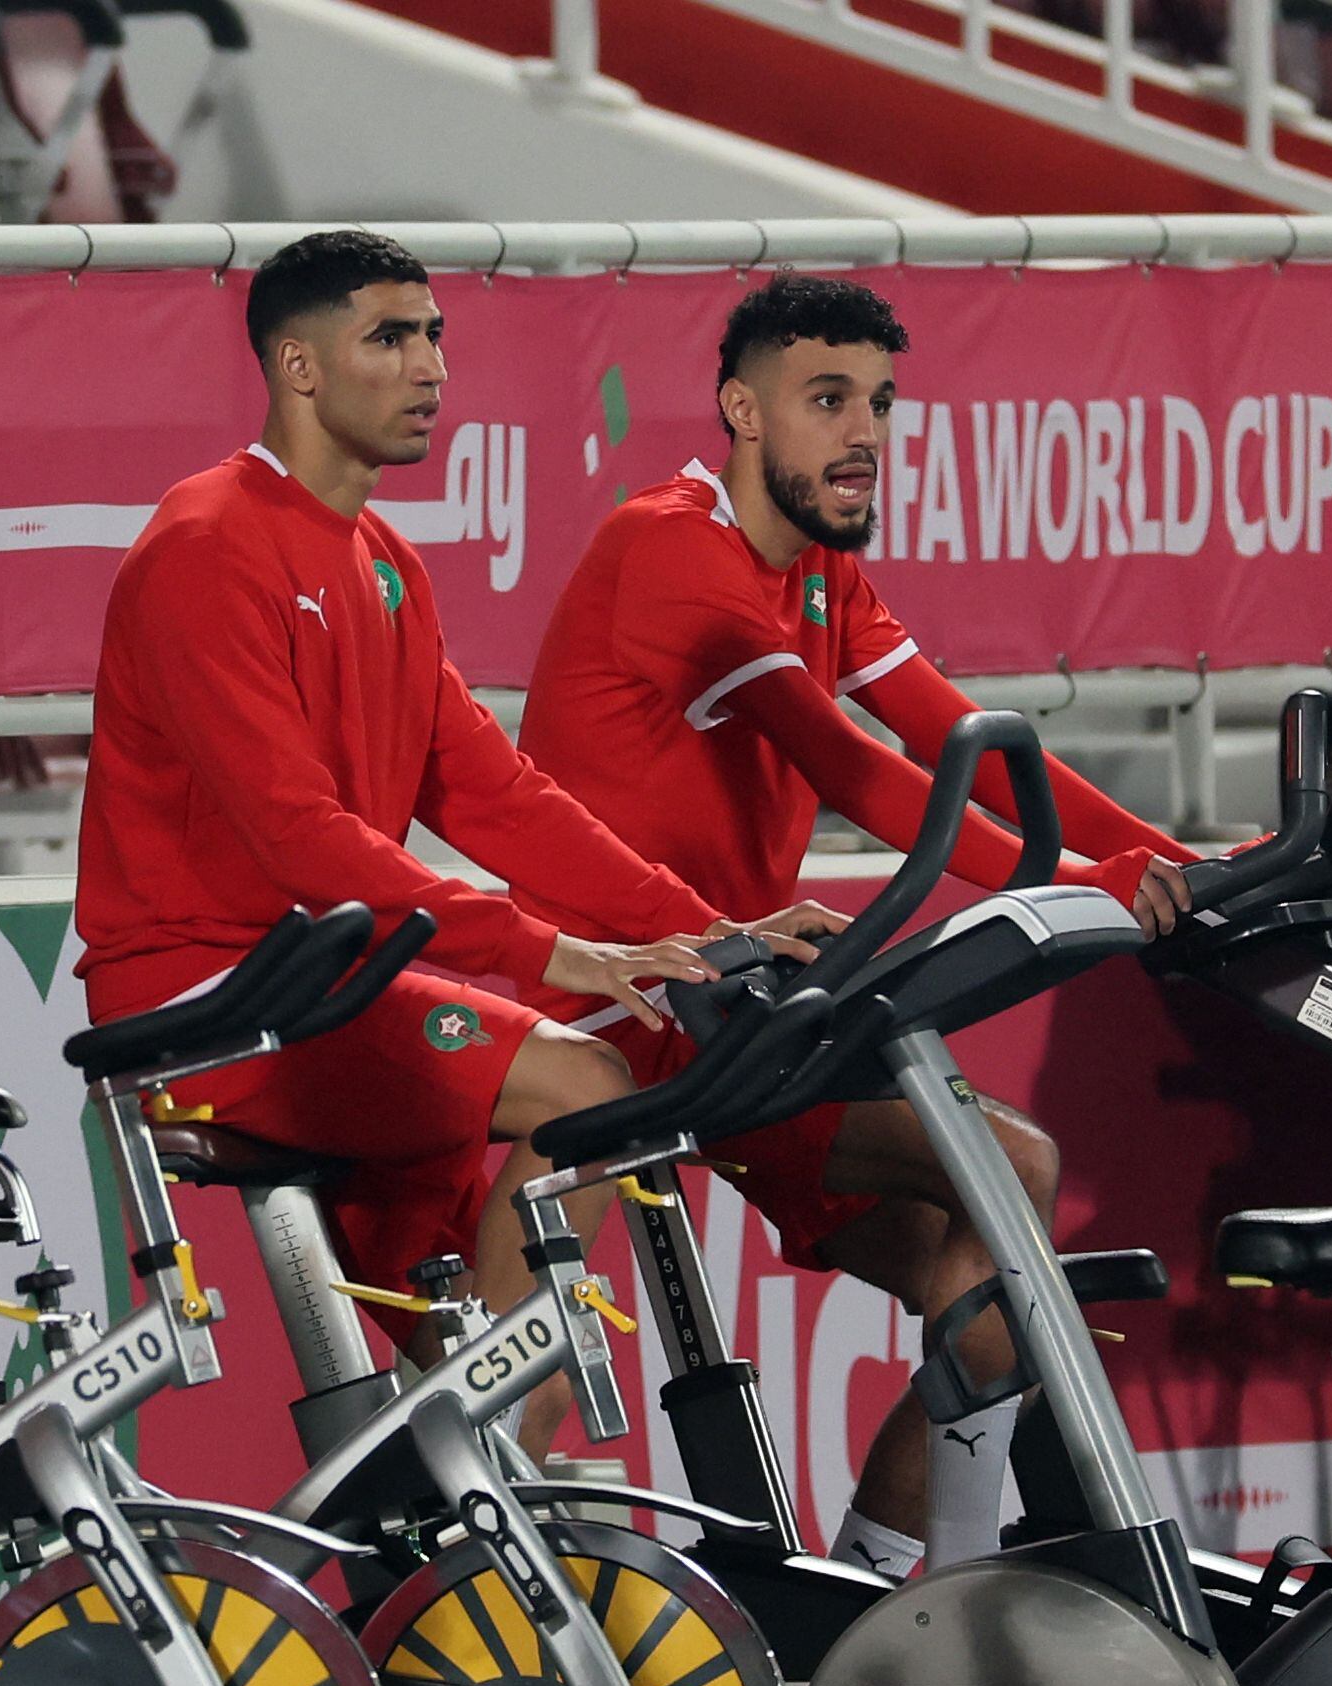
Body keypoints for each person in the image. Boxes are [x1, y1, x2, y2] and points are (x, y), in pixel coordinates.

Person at [514, 273, 1202, 1580]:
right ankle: (942, 1578)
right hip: (603, 1007)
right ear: (741, 411)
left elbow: (959, 738)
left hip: (725, 1007)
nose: (863, 434)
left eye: (879, 403)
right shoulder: (669, 548)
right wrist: (1087, 885)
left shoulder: (826, 568)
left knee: (996, 1240)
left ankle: (892, 1584)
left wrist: (1169, 864)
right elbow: (861, 774)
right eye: (826, 401)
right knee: (534, 1389)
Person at [76, 230, 827, 1334]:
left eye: (434, 336)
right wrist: (552, 951)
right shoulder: (205, 542)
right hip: (206, 995)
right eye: (390, 338)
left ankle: (486, 1426)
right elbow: (297, 833)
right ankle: (504, 1428)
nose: (431, 368)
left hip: (329, 987)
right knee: (589, 1083)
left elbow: (492, 793)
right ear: (297, 366)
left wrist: (702, 927)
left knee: (462, 1332)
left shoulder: (384, 557)